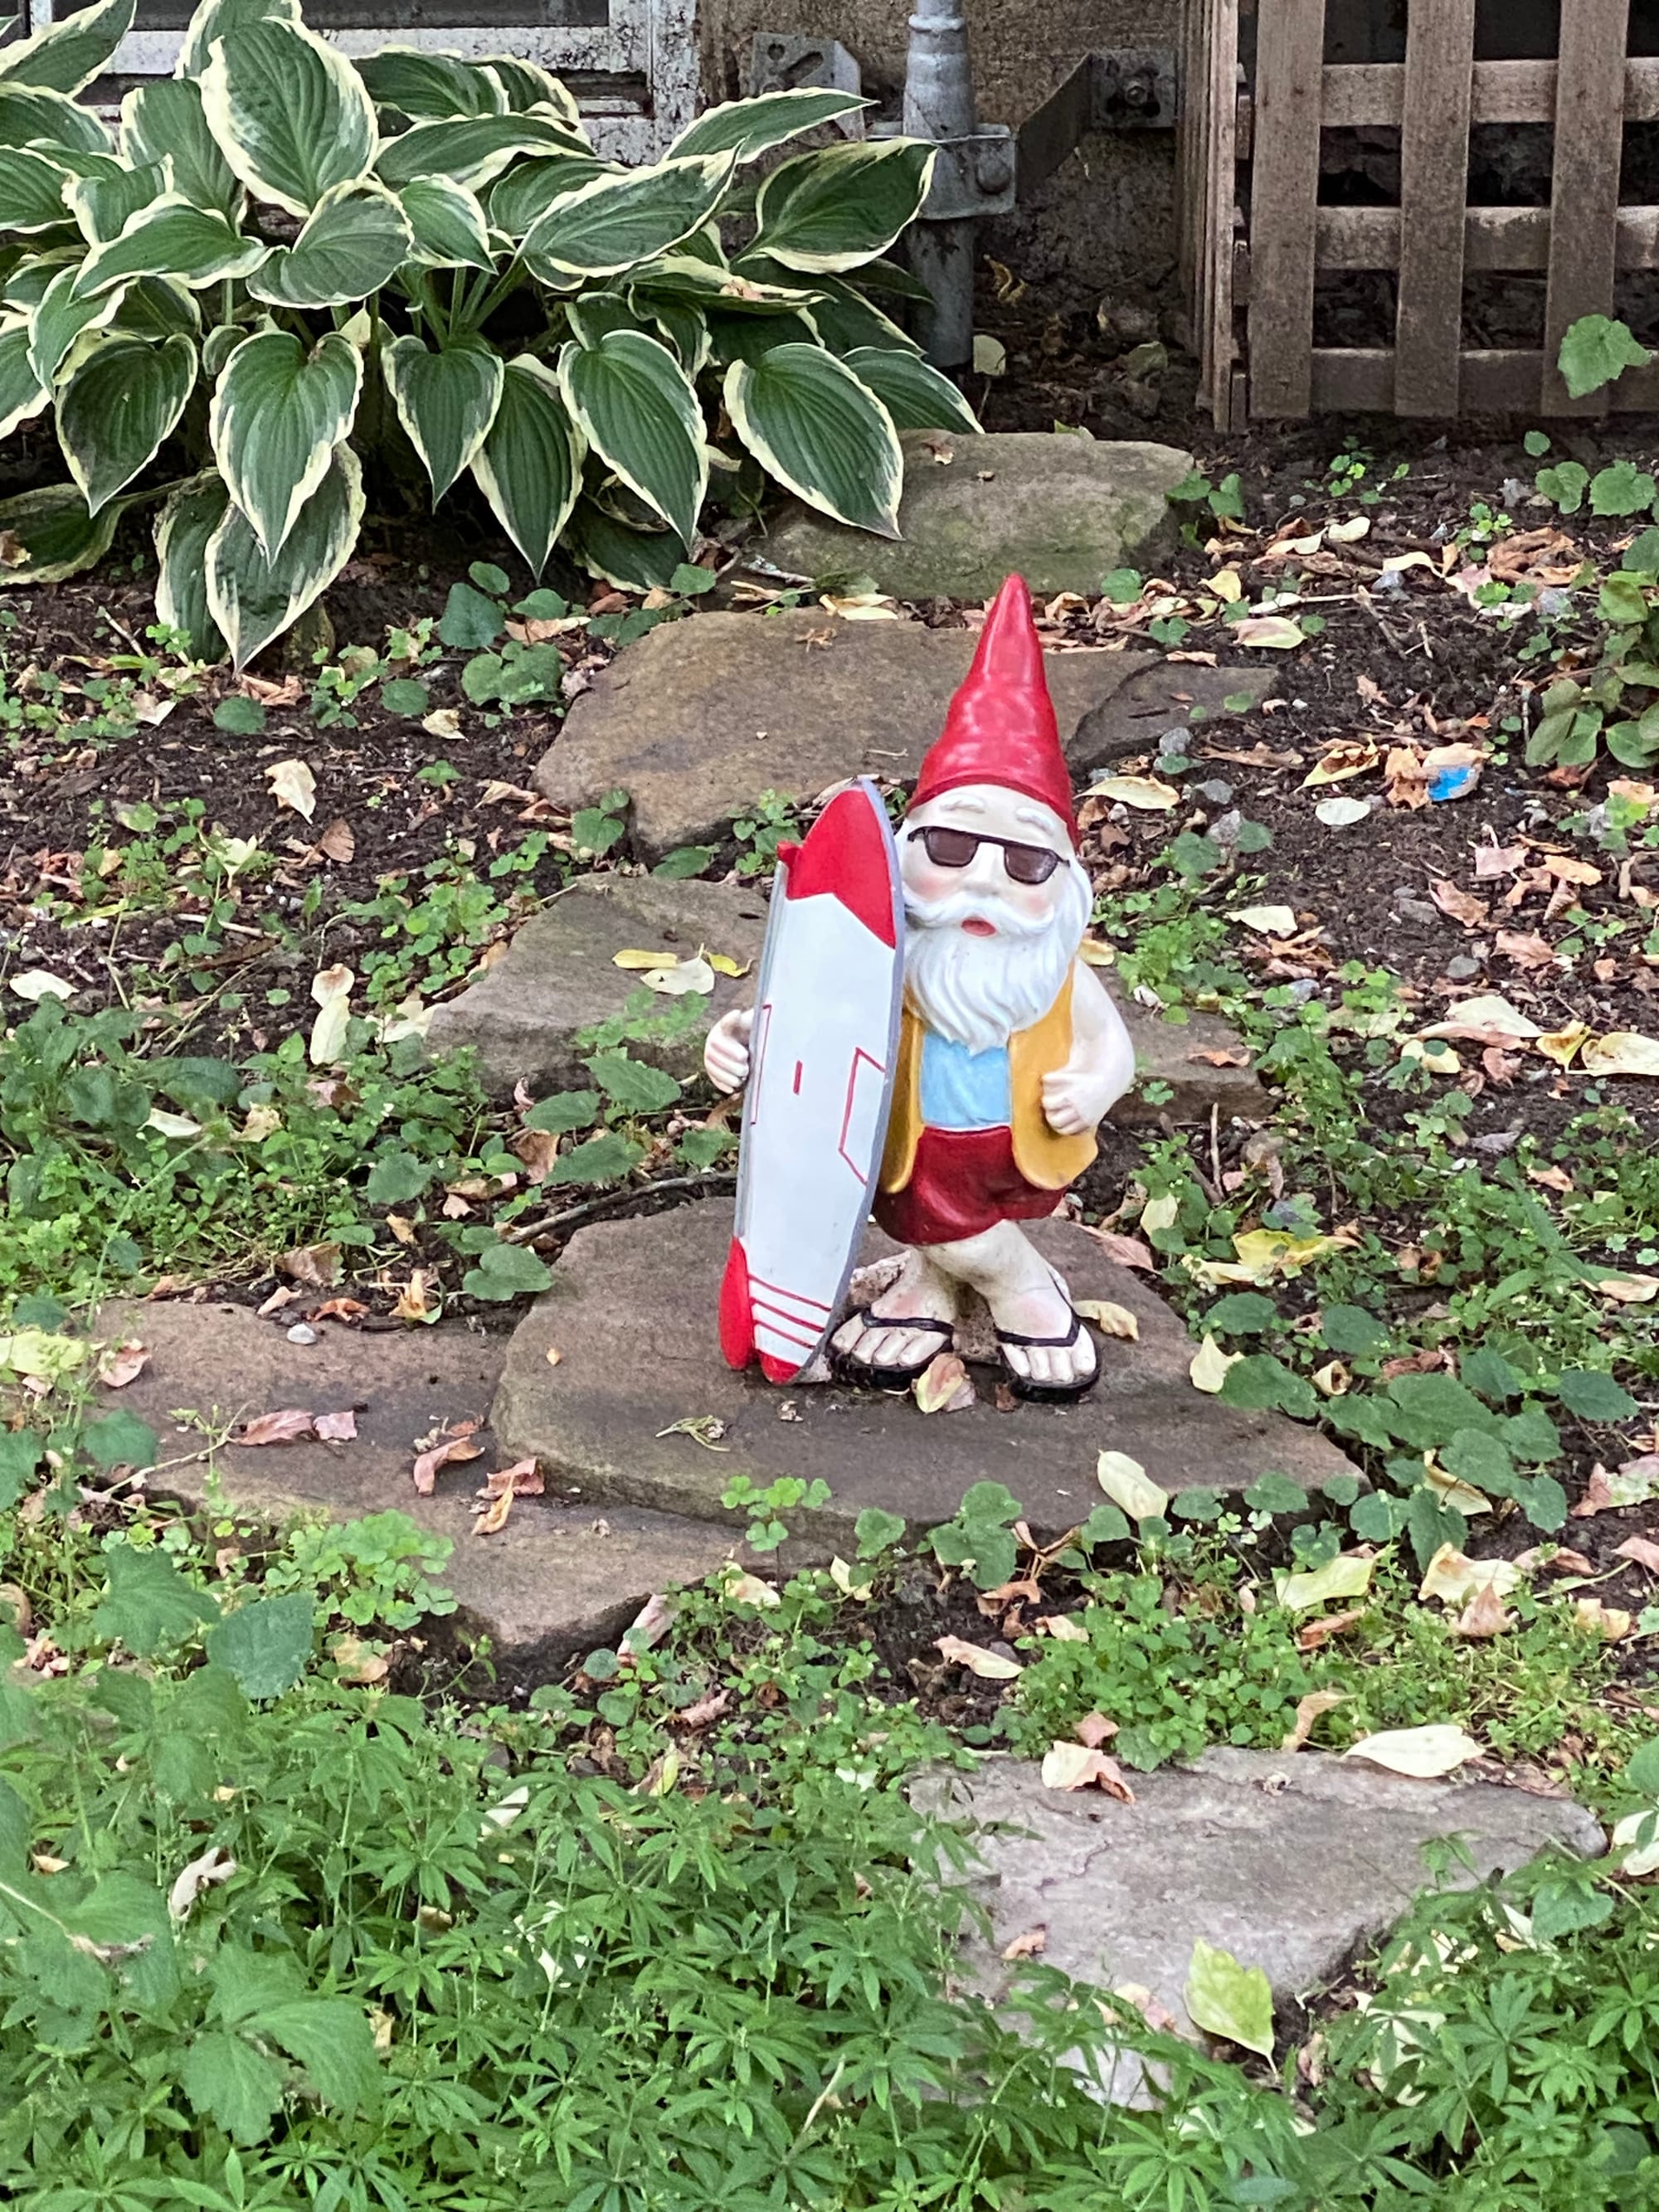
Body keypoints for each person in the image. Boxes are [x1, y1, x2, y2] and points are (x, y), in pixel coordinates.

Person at [705, 575, 1136, 1400]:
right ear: (903, 851)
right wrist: (738, 1042)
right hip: (898, 1140)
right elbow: (802, 1016)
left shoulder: (1051, 976)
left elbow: (1109, 1046)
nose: (982, 882)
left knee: (964, 1225)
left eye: (1023, 862)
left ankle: (1018, 1282)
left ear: (1067, 883)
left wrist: (1096, 1082)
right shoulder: (879, 957)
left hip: (1012, 1142)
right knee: (916, 1208)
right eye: (949, 850)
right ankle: (933, 1283)